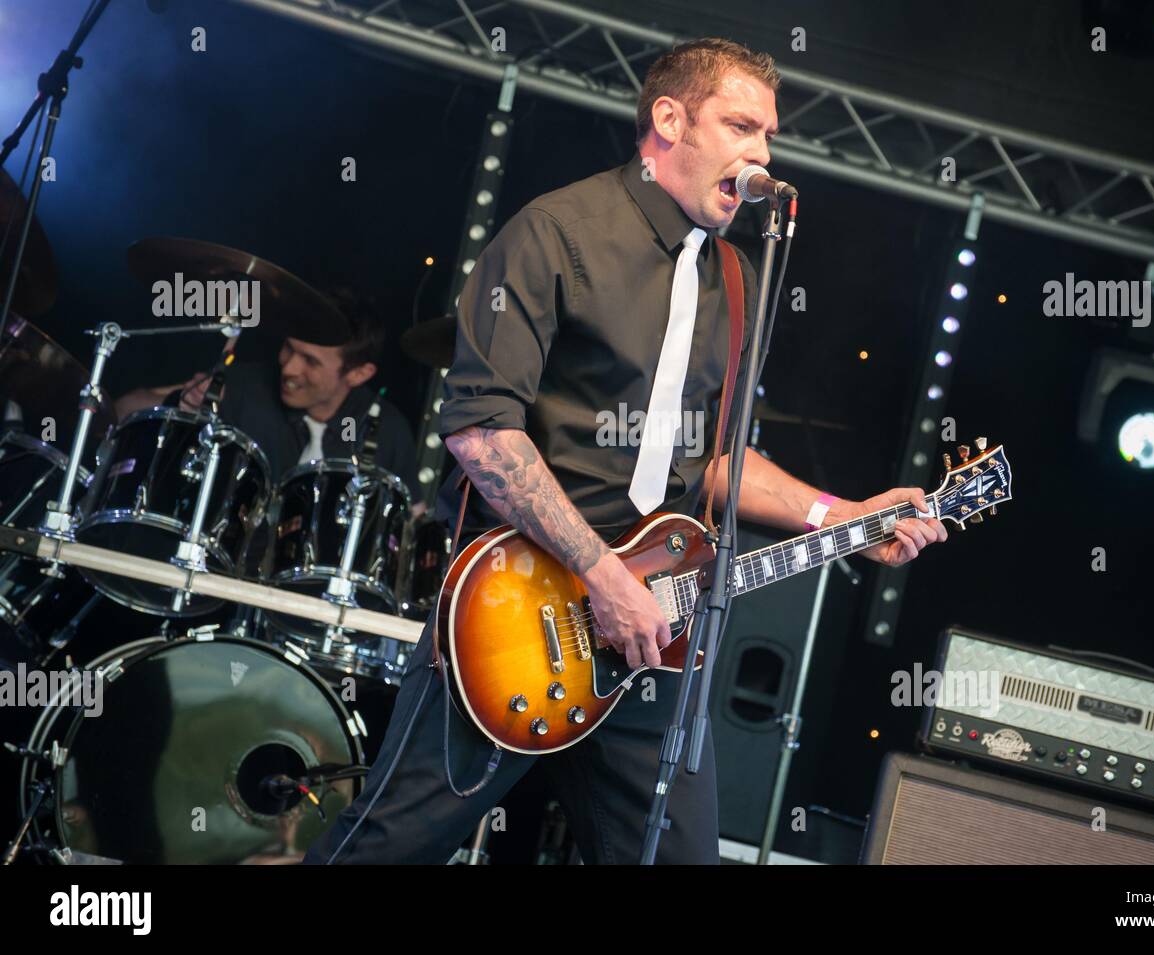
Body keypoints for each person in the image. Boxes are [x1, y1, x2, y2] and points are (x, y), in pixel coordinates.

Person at [303, 37, 947, 866]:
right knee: (384, 845)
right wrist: (604, 579)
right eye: (742, 126)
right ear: (669, 119)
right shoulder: (555, 232)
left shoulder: (738, 277)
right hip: (521, 612)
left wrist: (846, 515)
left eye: (770, 136)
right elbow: (479, 430)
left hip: (657, 628)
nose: (761, 153)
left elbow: (716, 461)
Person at [113, 306, 419, 492]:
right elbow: (123, 409)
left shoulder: (387, 429)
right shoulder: (245, 385)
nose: (289, 367)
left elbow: (413, 525)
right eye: (289, 348)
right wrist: (181, 401)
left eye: (310, 361)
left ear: (359, 374)